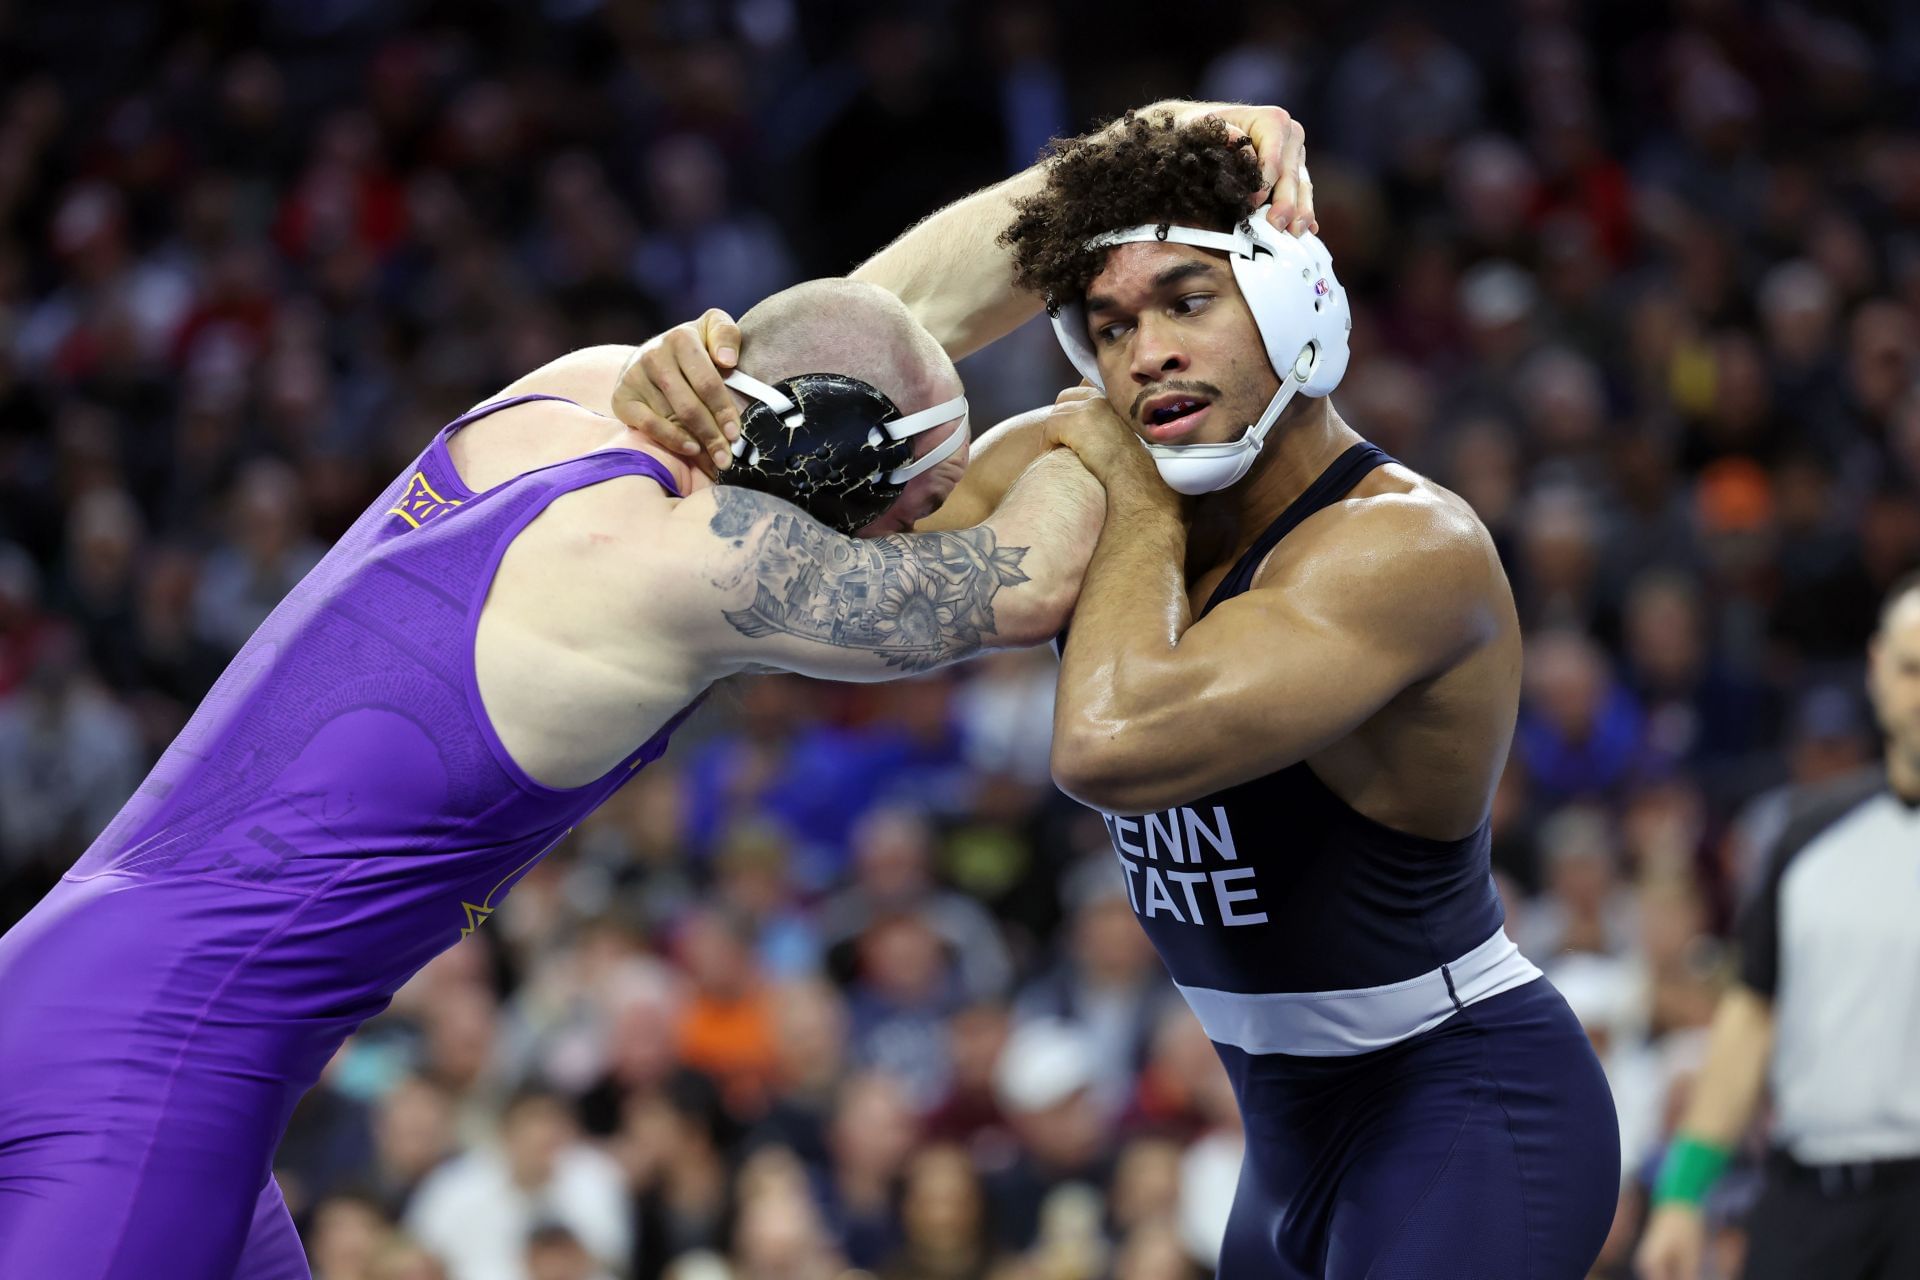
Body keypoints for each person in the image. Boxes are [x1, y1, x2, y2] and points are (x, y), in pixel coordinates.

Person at [626, 105, 1620, 1278]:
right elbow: (814, 530)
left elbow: (1108, 740)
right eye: (1107, 325)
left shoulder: (1405, 549)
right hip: (1292, 1141)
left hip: (1466, 1105)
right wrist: (706, 399)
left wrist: (1131, 498)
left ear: (1295, 296)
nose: (1143, 354)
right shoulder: (1095, 454)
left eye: (1185, 301)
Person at [0, 275, 1108, 1279]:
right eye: (916, 503)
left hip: (66, 983)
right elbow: (1031, 581)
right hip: (156, 1082)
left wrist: (1104, 179)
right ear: (829, 463)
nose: (913, 529)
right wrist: (1106, 418)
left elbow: (859, 325)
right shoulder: (678, 571)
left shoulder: (574, 403)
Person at [1637, 575, 1920, 1280]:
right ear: (1877, 669)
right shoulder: (1803, 838)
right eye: (1913, 668)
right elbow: (1749, 1017)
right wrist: (1681, 1193)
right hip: (1807, 1195)